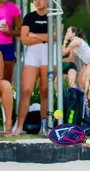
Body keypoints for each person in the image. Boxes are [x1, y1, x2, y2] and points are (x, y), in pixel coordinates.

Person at [14, 0, 63, 136]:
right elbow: (24, 39)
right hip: (33, 54)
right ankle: (19, 126)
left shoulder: (55, 15)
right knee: (26, 90)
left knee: (45, 91)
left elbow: (56, 36)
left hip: (49, 54)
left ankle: (45, 126)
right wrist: (45, 38)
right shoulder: (29, 17)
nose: (38, 1)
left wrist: (34, 35)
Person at [0, 0, 22, 83]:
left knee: (6, 81)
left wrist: (9, 31)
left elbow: (21, 31)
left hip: (6, 47)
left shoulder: (13, 8)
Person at [62, 26, 90, 99]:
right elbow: (70, 58)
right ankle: (84, 97)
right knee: (80, 79)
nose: (66, 33)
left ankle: (89, 100)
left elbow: (63, 53)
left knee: (85, 79)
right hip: (88, 62)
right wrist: (61, 61)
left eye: (68, 31)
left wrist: (65, 41)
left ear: (73, 33)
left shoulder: (75, 42)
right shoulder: (72, 44)